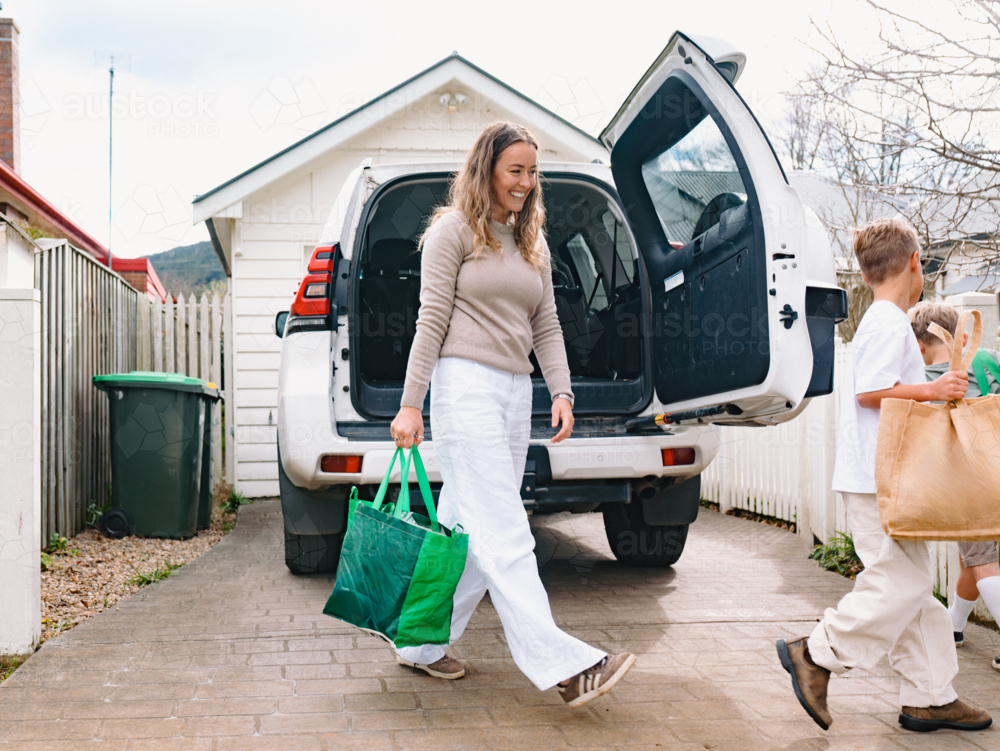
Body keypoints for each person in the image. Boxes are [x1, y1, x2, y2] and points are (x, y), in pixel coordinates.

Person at [388, 122, 635, 707]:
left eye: (531, 171)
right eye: (514, 171)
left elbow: (546, 324)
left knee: (469, 532)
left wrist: (562, 391)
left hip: (512, 394)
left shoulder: (532, 242)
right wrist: (409, 404)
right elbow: (430, 319)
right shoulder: (453, 231)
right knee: (505, 529)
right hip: (462, 387)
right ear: (487, 170)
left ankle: (418, 645)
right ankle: (564, 666)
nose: (525, 183)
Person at [776, 217, 992, 733]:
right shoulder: (889, 322)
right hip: (880, 479)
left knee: (913, 592)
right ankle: (817, 652)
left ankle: (930, 696)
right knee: (903, 582)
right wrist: (934, 392)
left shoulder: (883, 320)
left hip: (880, 476)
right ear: (916, 263)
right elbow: (870, 392)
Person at [909, 300, 1000, 672]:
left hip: (970, 476)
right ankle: (954, 627)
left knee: (982, 560)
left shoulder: (931, 377)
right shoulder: (989, 358)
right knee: (973, 556)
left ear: (919, 344)